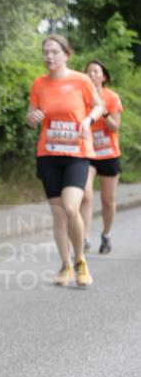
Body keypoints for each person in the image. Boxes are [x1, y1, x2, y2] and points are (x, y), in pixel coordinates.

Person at [26, 35, 102, 288]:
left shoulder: (81, 80)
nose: (49, 57)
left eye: (54, 52)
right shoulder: (39, 83)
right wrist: (32, 117)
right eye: (45, 52)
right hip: (49, 154)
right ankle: (65, 265)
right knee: (59, 214)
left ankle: (80, 260)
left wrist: (87, 120)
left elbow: (98, 107)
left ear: (66, 54)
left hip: (77, 154)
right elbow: (30, 114)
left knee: (71, 208)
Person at [80, 60, 123, 255]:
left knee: (107, 200)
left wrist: (103, 112)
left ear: (103, 76)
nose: (92, 75)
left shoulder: (112, 97)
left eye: (96, 72)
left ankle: (106, 235)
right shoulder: (81, 97)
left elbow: (114, 127)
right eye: (89, 72)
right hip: (88, 153)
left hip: (108, 154)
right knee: (86, 193)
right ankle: (84, 237)